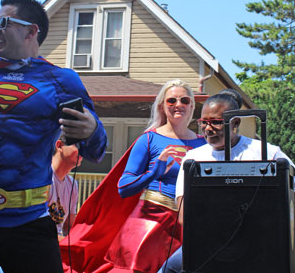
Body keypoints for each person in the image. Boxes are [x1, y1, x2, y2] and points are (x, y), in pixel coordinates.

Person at [0, 0, 107, 273]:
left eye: (4, 22)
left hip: (29, 221)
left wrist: (94, 129)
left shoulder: (63, 81)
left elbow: (97, 152)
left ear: (31, 31)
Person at [158, 89, 291, 273]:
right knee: (169, 269)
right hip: (209, 243)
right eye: (204, 122)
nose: (208, 128)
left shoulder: (268, 153)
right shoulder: (193, 159)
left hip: (259, 240)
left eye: (216, 122)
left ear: (235, 122)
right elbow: (184, 215)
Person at [104, 79, 207, 273]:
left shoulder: (204, 145)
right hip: (152, 219)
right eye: (171, 101)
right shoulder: (149, 139)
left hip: (191, 223)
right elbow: (123, 187)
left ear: (192, 105)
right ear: (162, 106)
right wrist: (153, 174)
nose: (178, 105)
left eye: (184, 100)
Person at [48, 134, 82, 239]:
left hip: (56, 246)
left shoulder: (72, 184)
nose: (83, 152)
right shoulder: (43, 177)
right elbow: (36, 229)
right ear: (59, 145)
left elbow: (68, 227)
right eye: (79, 146)